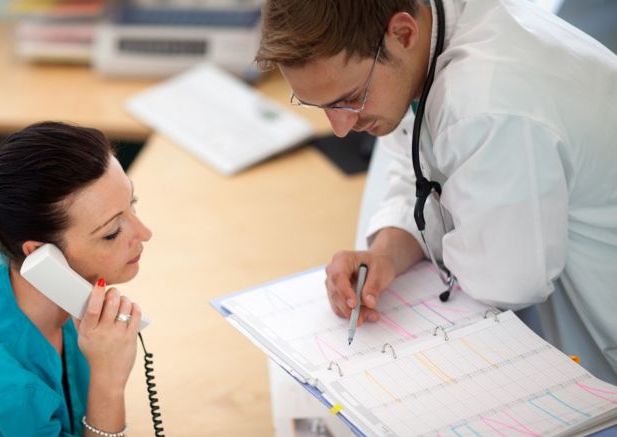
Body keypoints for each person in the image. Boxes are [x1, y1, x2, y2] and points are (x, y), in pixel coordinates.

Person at [256, 0, 617, 383]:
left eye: (349, 99)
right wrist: (385, 254)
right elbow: (421, 170)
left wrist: (437, 239)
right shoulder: (422, 36)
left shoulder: (486, 102)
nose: (341, 128)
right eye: (320, 105)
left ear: (403, 33)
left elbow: (507, 279)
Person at [0, 122, 160, 437]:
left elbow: (81, 421)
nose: (144, 233)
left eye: (131, 204)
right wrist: (109, 381)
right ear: (41, 254)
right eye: (111, 233)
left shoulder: (45, 287)